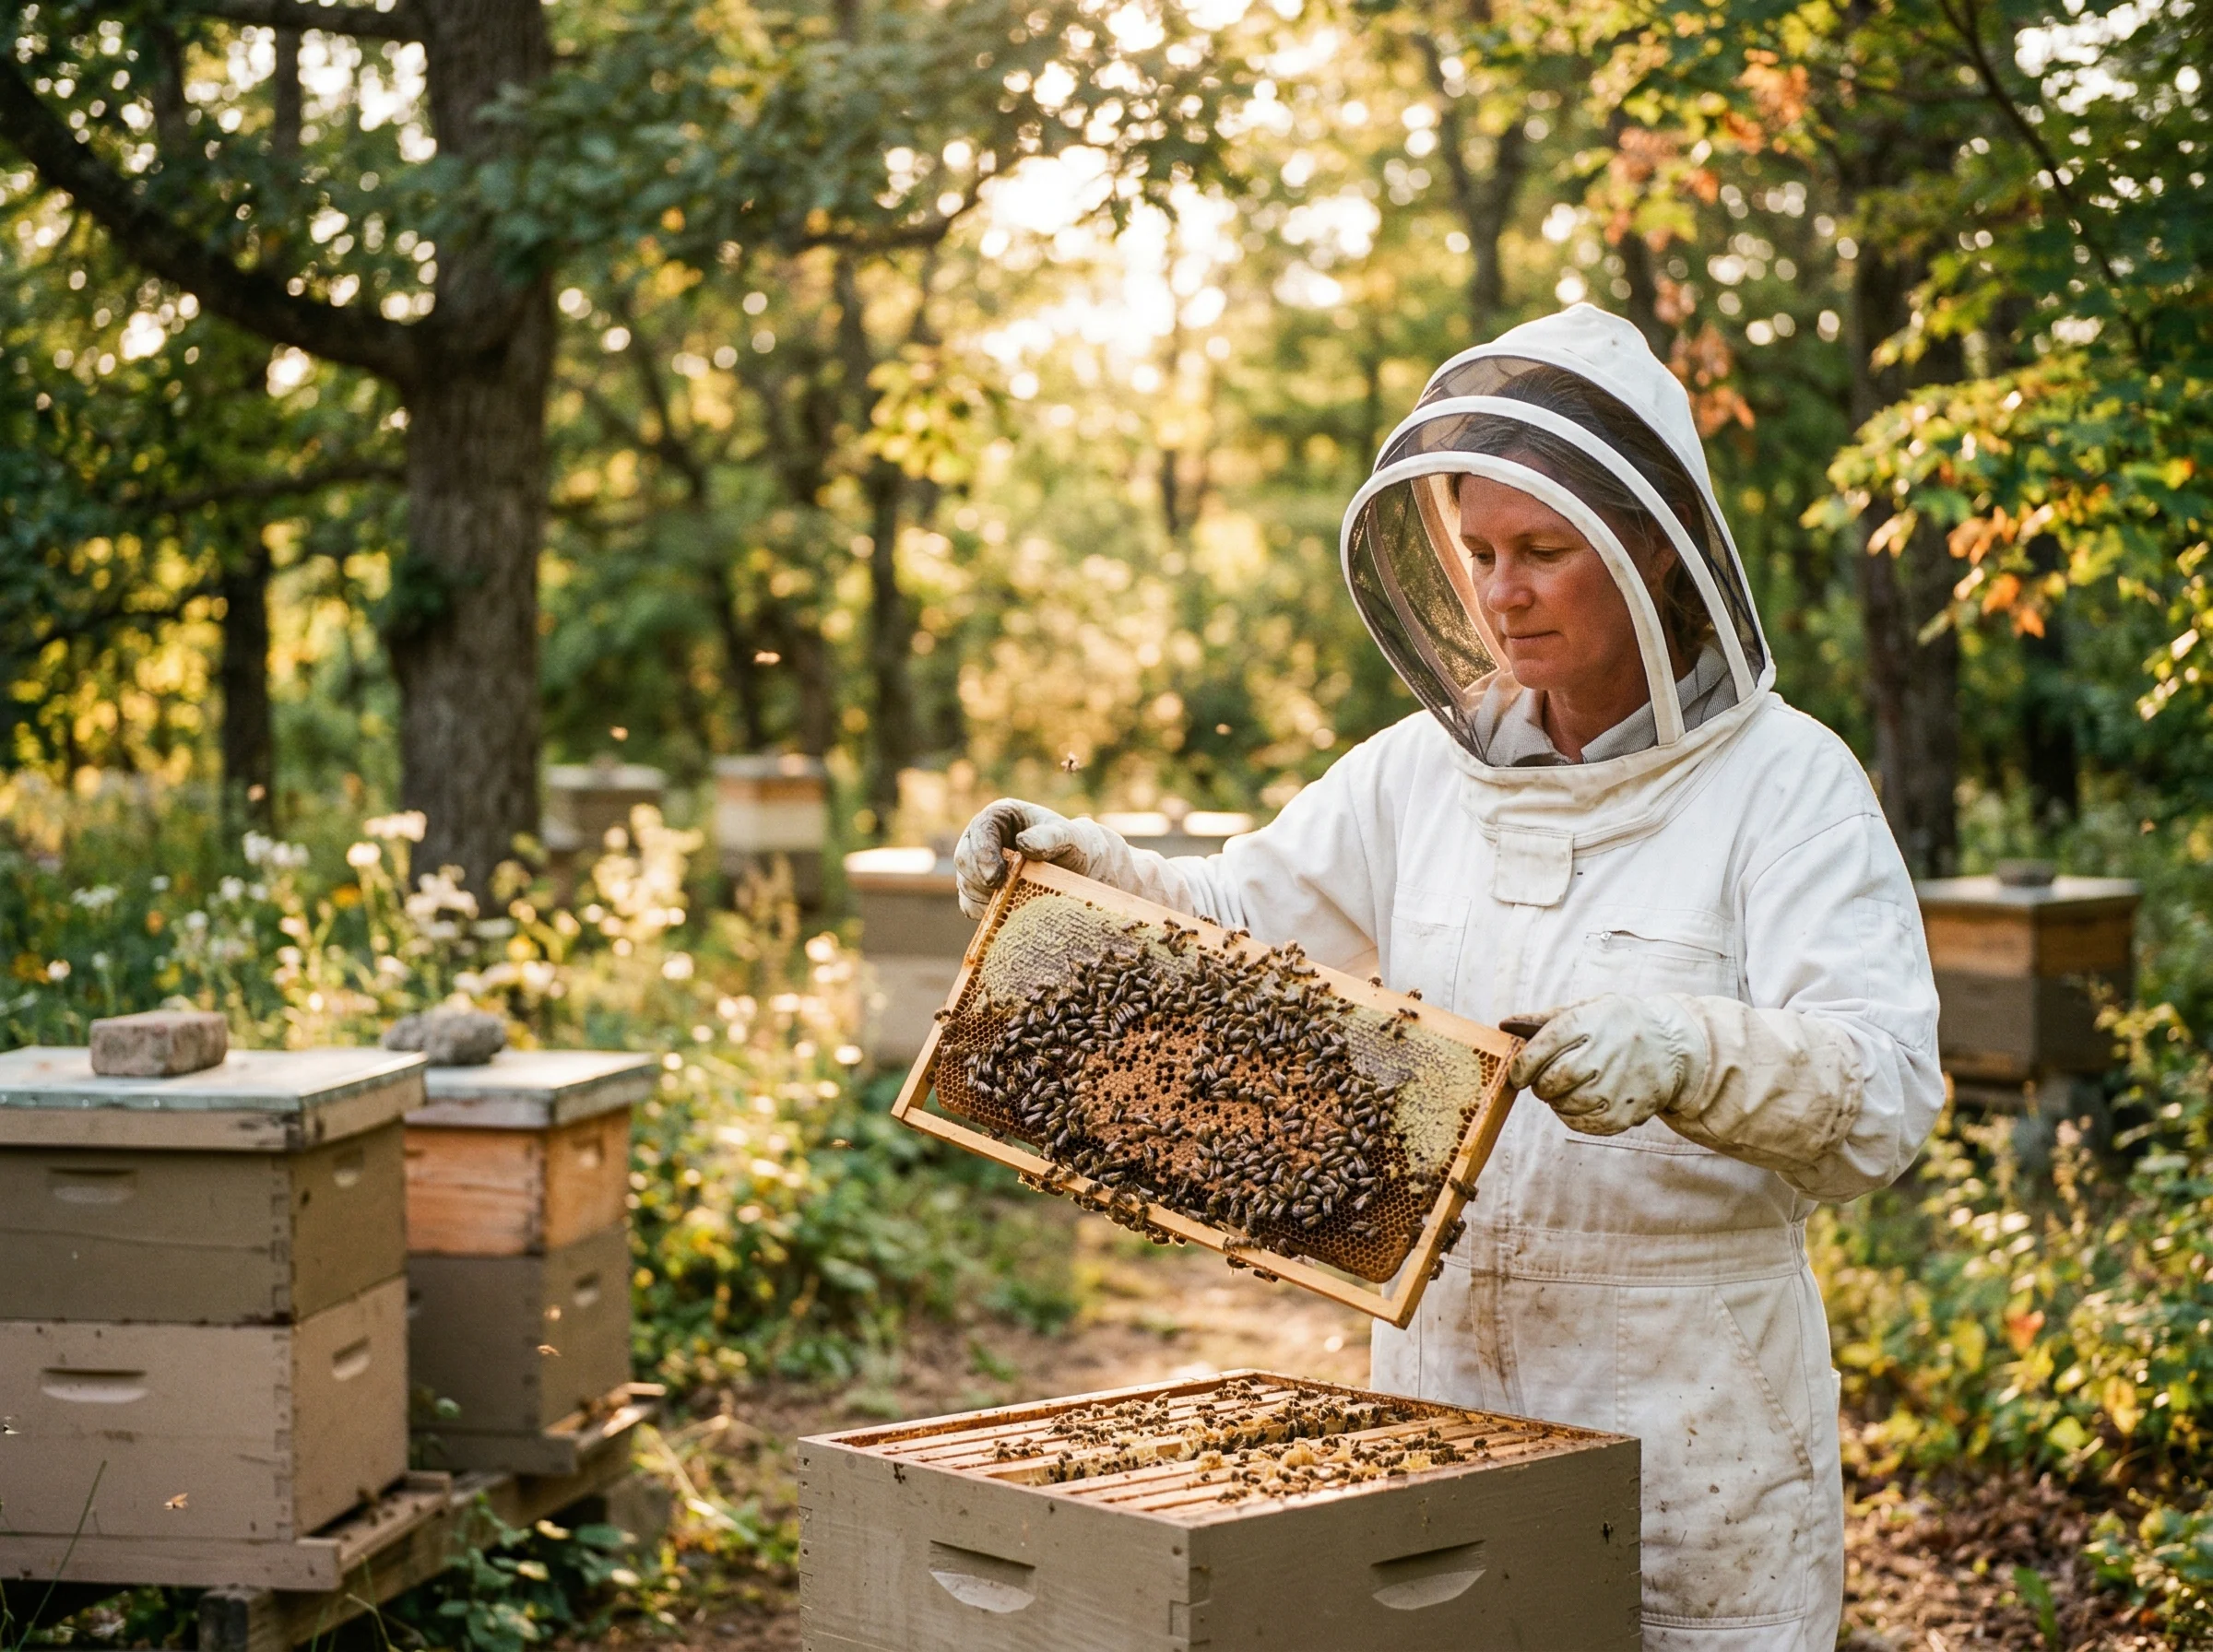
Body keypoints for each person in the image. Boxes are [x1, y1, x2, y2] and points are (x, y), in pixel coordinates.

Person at [953, 302, 1942, 1649]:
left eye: (1543, 553)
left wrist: (1686, 1052)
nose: (1500, 593)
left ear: (1654, 548)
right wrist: (1084, 873)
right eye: (1477, 553)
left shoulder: (1788, 787)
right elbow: (1240, 927)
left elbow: (1885, 1094)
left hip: (1691, 1404)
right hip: (1444, 1382)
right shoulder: (1418, 774)